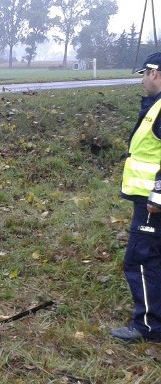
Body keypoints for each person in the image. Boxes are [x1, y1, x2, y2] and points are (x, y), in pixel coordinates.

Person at [111, 52, 161, 343]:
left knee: (141, 259)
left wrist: (157, 197)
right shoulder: (155, 105)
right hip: (148, 198)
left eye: (145, 74)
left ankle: (148, 326)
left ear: (154, 73)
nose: (143, 80)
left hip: (152, 202)